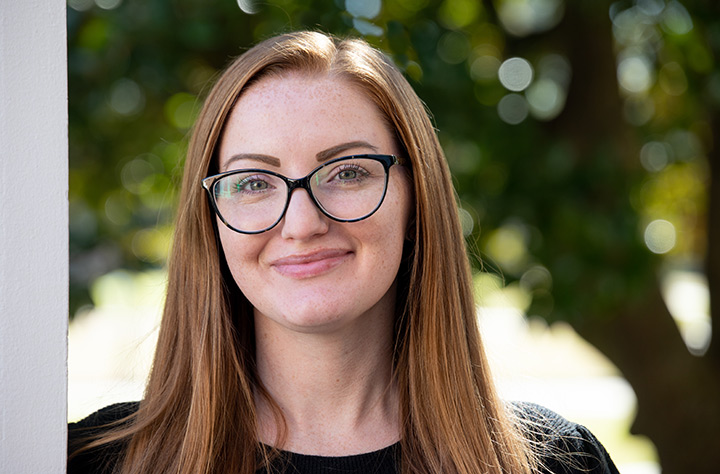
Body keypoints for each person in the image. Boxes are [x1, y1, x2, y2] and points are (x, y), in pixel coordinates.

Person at [68, 31, 619, 474]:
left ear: (416, 203)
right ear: (211, 223)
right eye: (254, 182)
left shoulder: (560, 464)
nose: (301, 223)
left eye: (348, 172)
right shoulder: (90, 462)